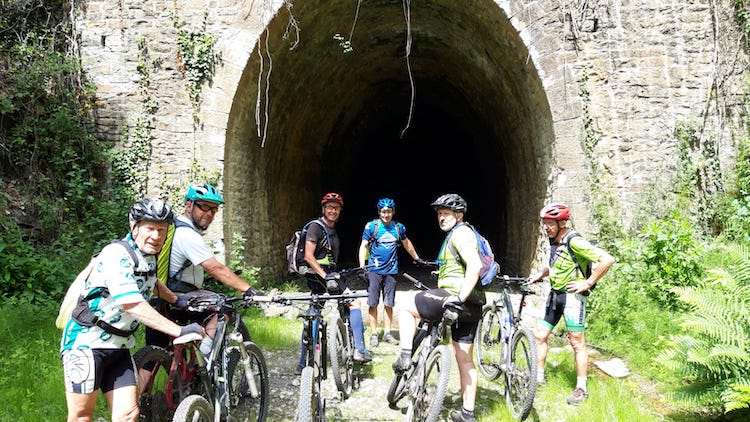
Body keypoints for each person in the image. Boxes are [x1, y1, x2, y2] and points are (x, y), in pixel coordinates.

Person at [60, 198, 204, 422]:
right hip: (86, 344)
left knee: (128, 414)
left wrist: (176, 299)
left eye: (162, 230)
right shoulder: (116, 255)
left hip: (119, 347)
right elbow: (132, 303)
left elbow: (152, 281)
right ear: (134, 227)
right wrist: (178, 331)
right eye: (150, 229)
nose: (156, 236)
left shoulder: (148, 256)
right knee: (81, 417)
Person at [392, 194, 486, 422]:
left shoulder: (461, 234)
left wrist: (458, 298)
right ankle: (467, 414)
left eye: (446, 213)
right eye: (439, 214)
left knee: (406, 306)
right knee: (464, 359)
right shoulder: (466, 233)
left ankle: (405, 355)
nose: (441, 218)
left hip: (454, 299)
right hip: (474, 306)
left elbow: (475, 265)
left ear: (459, 215)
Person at [144, 184, 260, 358]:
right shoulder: (187, 234)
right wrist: (248, 289)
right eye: (203, 206)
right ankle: (205, 358)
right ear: (189, 205)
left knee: (151, 357)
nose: (209, 213)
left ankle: (159, 380)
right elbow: (215, 268)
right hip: (177, 298)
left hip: (155, 297)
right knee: (224, 307)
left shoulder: (172, 228)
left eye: (214, 209)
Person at [529, 203, 615, 405]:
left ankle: (581, 388)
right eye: (544, 224)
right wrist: (541, 274)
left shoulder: (574, 241)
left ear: (562, 223)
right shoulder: (554, 240)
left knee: (576, 342)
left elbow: (607, 259)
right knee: (539, 335)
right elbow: (558, 263)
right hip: (555, 295)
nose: (546, 228)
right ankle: (538, 378)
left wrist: (588, 282)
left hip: (572, 298)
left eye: (550, 224)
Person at [296, 192, 371, 374]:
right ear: (324, 209)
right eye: (329, 207)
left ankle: (302, 364)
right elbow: (308, 256)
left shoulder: (331, 230)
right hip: (320, 277)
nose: (333, 210)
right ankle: (359, 350)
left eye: (336, 208)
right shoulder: (316, 227)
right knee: (353, 303)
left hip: (327, 275)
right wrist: (326, 276)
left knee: (314, 312)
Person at [357, 197, 422, 347]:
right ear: (379, 212)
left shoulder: (399, 228)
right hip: (374, 270)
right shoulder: (371, 226)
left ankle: (387, 333)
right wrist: (362, 266)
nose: (386, 215)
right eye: (383, 212)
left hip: (391, 271)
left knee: (389, 303)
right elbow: (364, 245)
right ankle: (374, 333)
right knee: (373, 303)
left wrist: (417, 258)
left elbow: (407, 243)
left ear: (393, 212)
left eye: (389, 212)